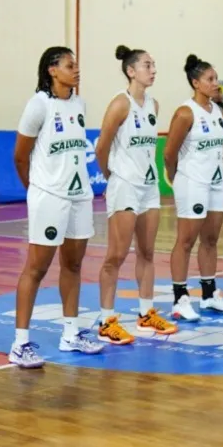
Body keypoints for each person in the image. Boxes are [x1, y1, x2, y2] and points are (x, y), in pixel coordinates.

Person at [9, 46, 103, 368]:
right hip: (50, 196)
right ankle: (20, 343)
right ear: (52, 70)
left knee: (73, 266)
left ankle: (71, 333)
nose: (76, 69)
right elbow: (20, 156)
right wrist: (37, 189)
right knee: (36, 269)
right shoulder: (38, 105)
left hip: (79, 195)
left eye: (76, 64)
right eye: (69, 65)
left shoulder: (79, 104)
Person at [93, 45, 176, 345]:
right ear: (131, 71)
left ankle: (145, 314)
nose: (153, 70)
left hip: (149, 187)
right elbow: (101, 147)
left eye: (154, 65)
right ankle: (106, 321)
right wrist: (112, 177)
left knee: (147, 252)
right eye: (147, 65)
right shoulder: (120, 104)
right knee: (115, 255)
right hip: (125, 186)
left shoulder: (154, 105)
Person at [164, 54, 223, 320]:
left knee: (211, 240)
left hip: (216, 182)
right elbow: (169, 154)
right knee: (186, 241)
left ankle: (208, 295)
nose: (215, 83)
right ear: (196, 83)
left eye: (216, 78)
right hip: (192, 182)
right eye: (210, 79)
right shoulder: (185, 112)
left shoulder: (217, 111)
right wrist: (177, 178)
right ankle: (180, 299)